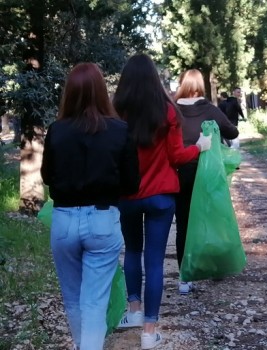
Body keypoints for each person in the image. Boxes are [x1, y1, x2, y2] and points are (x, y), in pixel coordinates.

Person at [112, 54, 211, 349]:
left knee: (132, 251)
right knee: (154, 262)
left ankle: (133, 311)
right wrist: (199, 148)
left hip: (127, 196)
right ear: (155, 78)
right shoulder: (167, 111)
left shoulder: (116, 112)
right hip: (161, 197)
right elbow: (176, 157)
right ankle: (149, 332)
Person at [40, 63, 141, 350]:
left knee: (73, 299)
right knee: (94, 301)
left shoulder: (56, 131)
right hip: (102, 218)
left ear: (69, 94)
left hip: (64, 220)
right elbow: (132, 183)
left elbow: (47, 177)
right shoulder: (120, 130)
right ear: (101, 92)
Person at [173, 69, 239, 294]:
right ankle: (216, 267)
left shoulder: (172, 110)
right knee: (212, 218)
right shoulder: (210, 110)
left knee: (182, 223)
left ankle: (184, 277)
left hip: (179, 173)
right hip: (207, 174)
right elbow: (232, 133)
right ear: (201, 86)